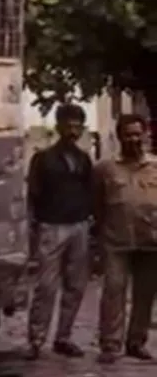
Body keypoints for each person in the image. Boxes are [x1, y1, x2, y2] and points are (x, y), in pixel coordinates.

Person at [25, 104, 93, 360]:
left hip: (79, 225)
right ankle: (36, 339)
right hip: (51, 225)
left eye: (78, 125)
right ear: (59, 126)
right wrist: (33, 226)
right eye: (69, 125)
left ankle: (63, 337)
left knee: (76, 286)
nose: (73, 130)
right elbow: (33, 193)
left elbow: (89, 191)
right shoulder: (43, 158)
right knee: (46, 286)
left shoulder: (84, 158)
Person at [94, 113, 157, 364]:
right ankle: (110, 344)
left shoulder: (155, 166)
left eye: (137, 134)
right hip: (116, 240)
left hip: (150, 241)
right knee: (113, 291)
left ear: (144, 135)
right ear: (119, 137)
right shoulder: (104, 168)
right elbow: (96, 203)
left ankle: (136, 342)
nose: (133, 139)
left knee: (145, 295)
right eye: (127, 134)